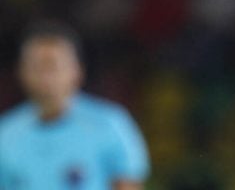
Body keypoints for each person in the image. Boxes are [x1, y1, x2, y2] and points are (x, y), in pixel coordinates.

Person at [0, 22, 150, 190]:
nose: (45, 76)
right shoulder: (5, 133)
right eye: (37, 66)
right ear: (21, 72)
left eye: (52, 66)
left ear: (76, 70)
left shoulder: (109, 124)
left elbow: (128, 184)